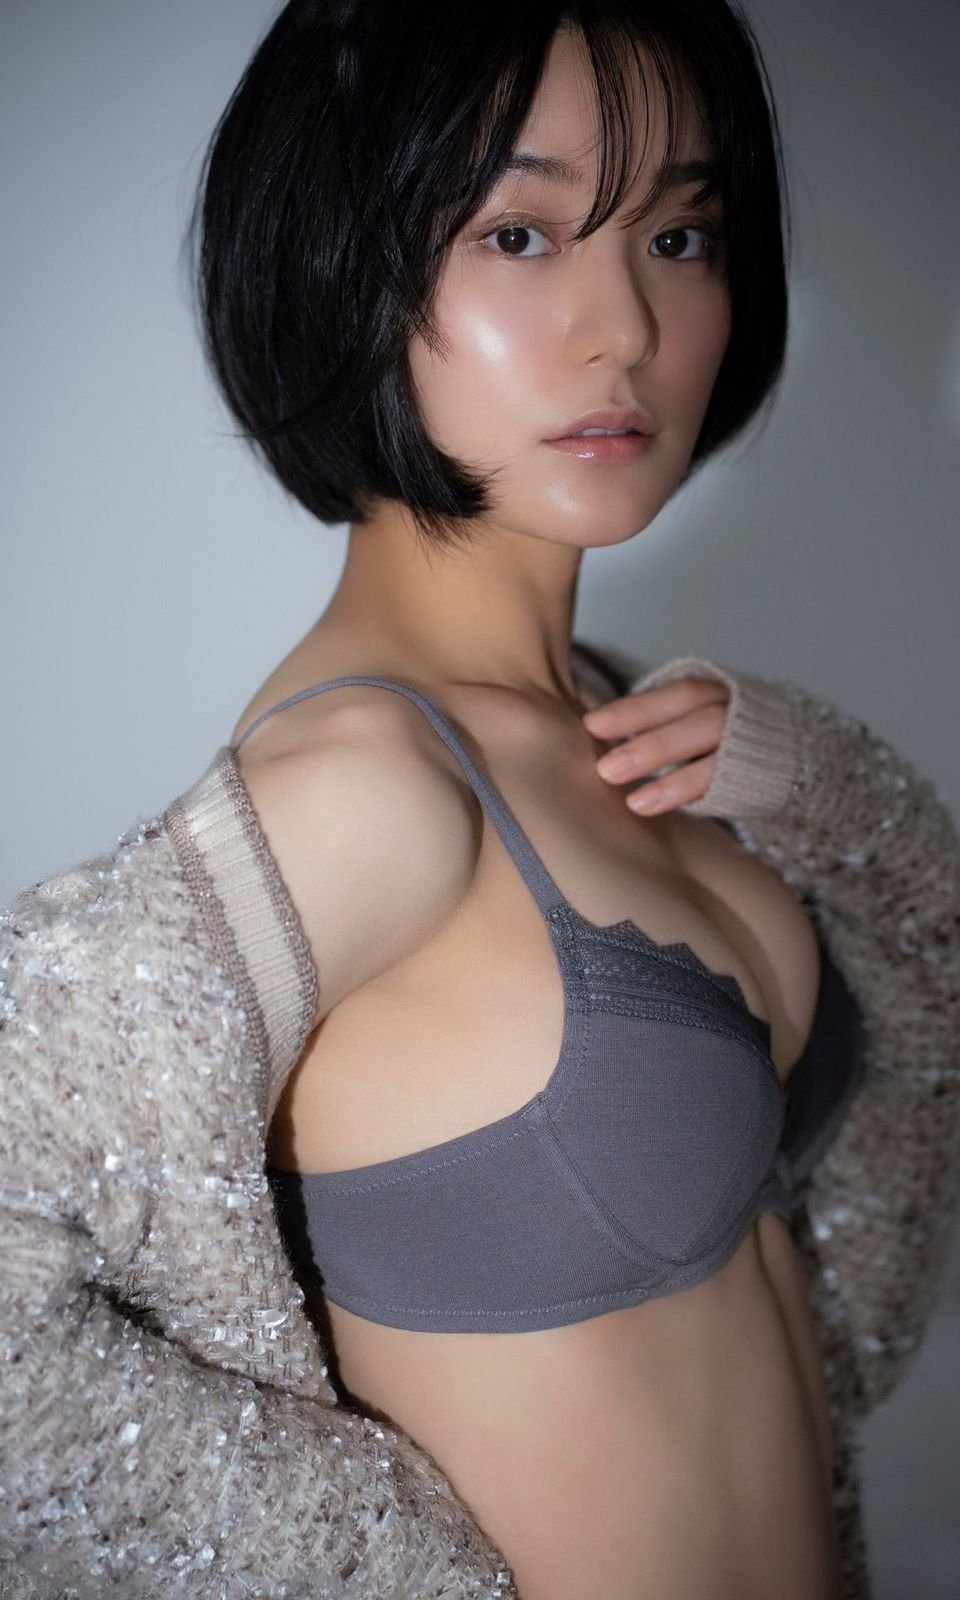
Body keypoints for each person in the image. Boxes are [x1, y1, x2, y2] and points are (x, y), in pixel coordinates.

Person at [2, 3, 958, 1598]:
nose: (625, 327)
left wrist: (816, 780)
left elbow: (931, 975)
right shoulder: (362, 795)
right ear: (342, 264)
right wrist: (391, 1565)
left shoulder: (632, 715)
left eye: (678, 235)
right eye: (520, 234)